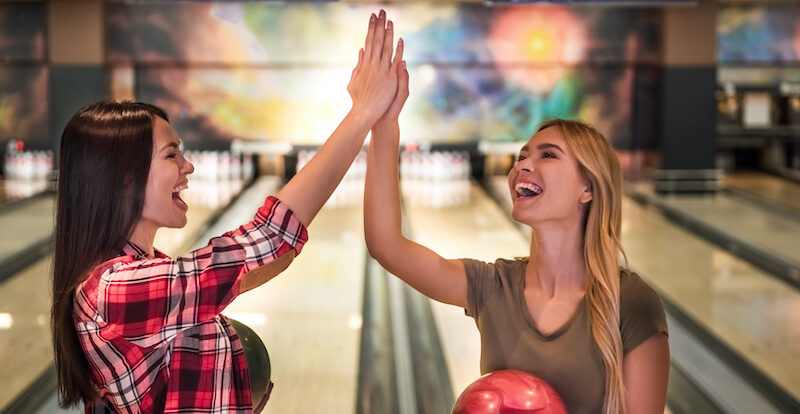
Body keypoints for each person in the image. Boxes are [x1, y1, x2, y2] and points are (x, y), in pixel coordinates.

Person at [52, 10, 404, 413]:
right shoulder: (115, 292)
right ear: (126, 177)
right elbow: (268, 241)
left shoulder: (135, 275)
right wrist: (361, 115)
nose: (188, 167)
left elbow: (264, 262)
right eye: (172, 155)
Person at [364, 66, 670, 413]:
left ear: (587, 188)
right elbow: (385, 244)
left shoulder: (630, 304)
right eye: (522, 155)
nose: (522, 165)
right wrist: (384, 124)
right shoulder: (493, 287)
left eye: (548, 155)